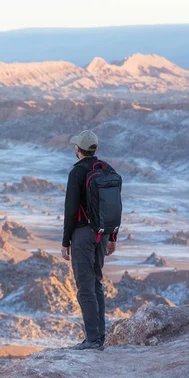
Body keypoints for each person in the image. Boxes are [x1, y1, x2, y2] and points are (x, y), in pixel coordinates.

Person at [61, 130, 118, 351]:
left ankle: (93, 340)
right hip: (102, 233)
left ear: (78, 149)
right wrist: (112, 235)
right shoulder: (106, 169)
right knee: (96, 283)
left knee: (85, 285)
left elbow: (70, 209)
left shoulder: (77, 172)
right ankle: (98, 336)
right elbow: (114, 207)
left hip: (83, 234)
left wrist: (66, 241)